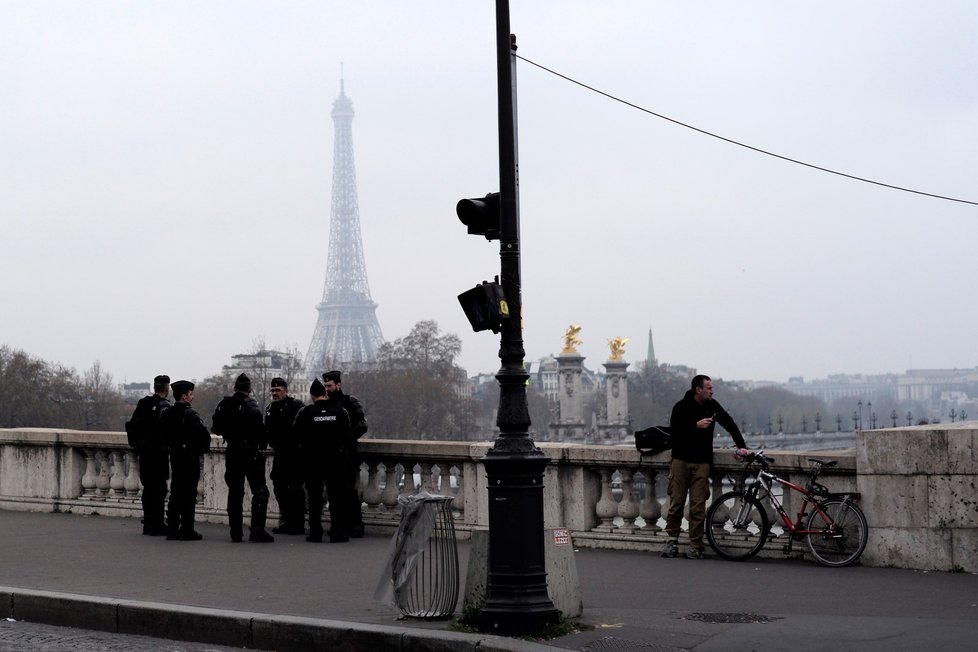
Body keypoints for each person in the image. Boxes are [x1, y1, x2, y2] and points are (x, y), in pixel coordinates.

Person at [662, 374, 748, 560]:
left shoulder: (712, 406)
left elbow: (729, 423)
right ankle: (672, 540)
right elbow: (674, 434)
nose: (712, 391)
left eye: (712, 388)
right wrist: (695, 426)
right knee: (676, 503)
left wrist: (742, 446)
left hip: (702, 462)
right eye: (709, 388)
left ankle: (695, 545)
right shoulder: (681, 407)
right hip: (680, 461)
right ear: (698, 389)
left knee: (698, 506)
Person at [212, 373, 274, 543]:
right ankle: (257, 530)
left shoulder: (224, 404)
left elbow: (216, 428)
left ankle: (235, 532)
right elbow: (260, 432)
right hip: (250, 453)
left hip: (233, 452)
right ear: (250, 388)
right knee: (260, 491)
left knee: (235, 493)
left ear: (234, 387)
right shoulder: (250, 405)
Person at [294, 378, 352, 543]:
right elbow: (347, 436)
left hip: (313, 461)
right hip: (335, 461)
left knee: (314, 498)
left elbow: (296, 435)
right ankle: (337, 532)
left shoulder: (305, 413)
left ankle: (315, 532)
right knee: (336, 497)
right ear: (325, 393)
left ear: (312, 395)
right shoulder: (340, 411)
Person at [160, 380, 211, 541]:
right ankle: (187, 529)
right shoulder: (190, 414)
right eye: (190, 394)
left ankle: (172, 528)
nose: (192, 397)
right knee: (189, 494)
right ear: (184, 396)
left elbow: (163, 436)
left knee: (175, 492)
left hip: (175, 457)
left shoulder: (167, 414)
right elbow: (204, 437)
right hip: (190, 458)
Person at [322, 369, 368, 538]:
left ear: (338, 385)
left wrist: (346, 439)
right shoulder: (326, 404)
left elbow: (363, 425)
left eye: (329, 385)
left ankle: (355, 524)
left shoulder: (350, 402)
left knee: (349, 489)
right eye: (325, 386)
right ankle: (341, 524)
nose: (327, 389)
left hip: (348, 453)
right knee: (335, 492)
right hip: (333, 454)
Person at [125, 374, 171, 536]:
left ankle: (148, 523)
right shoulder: (165, 406)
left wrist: (138, 445)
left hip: (145, 453)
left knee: (148, 489)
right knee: (159, 489)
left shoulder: (143, 404)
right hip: (159, 453)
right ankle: (157, 524)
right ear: (167, 388)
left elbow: (131, 426)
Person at [264, 377, 304, 535]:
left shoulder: (296, 406)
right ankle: (287, 520)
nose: (275, 393)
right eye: (273, 391)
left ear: (286, 391)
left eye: (278, 390)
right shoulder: (270, 408)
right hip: (280, 453)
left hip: (294, 454)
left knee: (295, 489)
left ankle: (297, 523)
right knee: (279, 488)